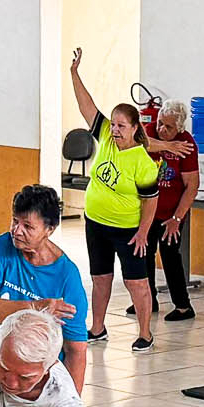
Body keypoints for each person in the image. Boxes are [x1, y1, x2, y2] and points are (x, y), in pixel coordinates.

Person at [68, 46, 161, 351]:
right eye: (115, 124)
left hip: (128, 230)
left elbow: (151, 201)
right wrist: (74, 73)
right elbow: (87, 106)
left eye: (122, 126)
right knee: (100, 277)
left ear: (136, 129)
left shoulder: (143, 162)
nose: (116, 129)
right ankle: (97, 328)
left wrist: (144, 232)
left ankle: (145, 333)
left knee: (136, 283)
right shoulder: (106, 136)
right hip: (96, 223)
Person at [0, 183, 91, 390]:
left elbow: (75, 349)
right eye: (15, 221)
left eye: (27, 226)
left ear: (49, 229)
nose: (17, 231)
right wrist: (35, 308)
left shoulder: (67, 276)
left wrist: (73, 406)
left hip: (38, 375)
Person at [147, 99, 202, 324]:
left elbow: (192, 186)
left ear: (180, 128)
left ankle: (182, 306)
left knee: (170, 256)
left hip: (172, 213)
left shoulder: (187, 144)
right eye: (160, 123)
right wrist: (167, 146)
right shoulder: (151, 132)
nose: (162, 129)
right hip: (148, 210)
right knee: (143, 254)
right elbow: (138, 143)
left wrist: (176, 219)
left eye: (168, 127)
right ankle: (147, 300)